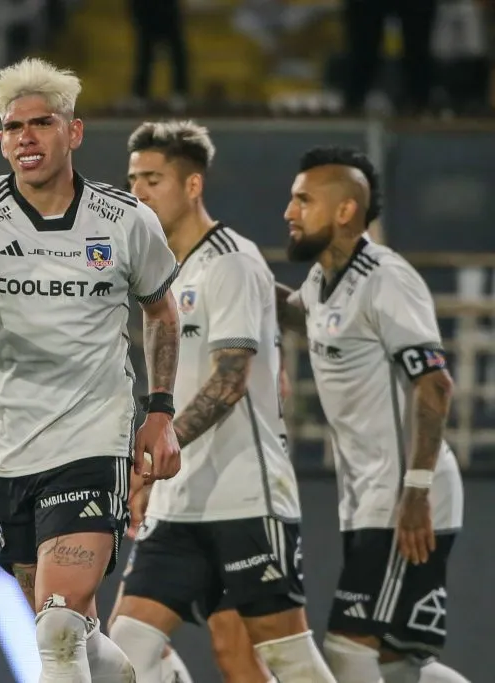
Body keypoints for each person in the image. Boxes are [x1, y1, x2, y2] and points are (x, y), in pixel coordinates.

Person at [0, 57, 182, 682]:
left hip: (93, 438)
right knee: (70, 631)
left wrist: (160, 411)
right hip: (8, 448)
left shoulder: (125, 220)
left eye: (41, 123)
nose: (26, 138)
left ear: (74, 131)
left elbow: (161, 311)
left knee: (58, 627)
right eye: (14, 127)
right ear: (2, 141)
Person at [108, 120, 337, 683]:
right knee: (126, 648)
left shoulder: (232, 260)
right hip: (179, 504)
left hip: (245, 497)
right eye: (133, 179)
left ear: (192, 186)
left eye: (153, 179)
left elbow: (230, 380)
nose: (138, 192)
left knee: (280, 659)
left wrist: (157, 448)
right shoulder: (158, 271)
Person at [277, 146, 468, 683]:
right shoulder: (321, 281)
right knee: (396, 661)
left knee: (347, 648)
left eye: (303, 200)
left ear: (345, 211)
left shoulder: (386, 277)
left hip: (406, 500)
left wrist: (416, 491)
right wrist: (235, 273)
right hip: (368, 500)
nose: (289, 212)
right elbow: (304, 318)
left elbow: (435, 383)